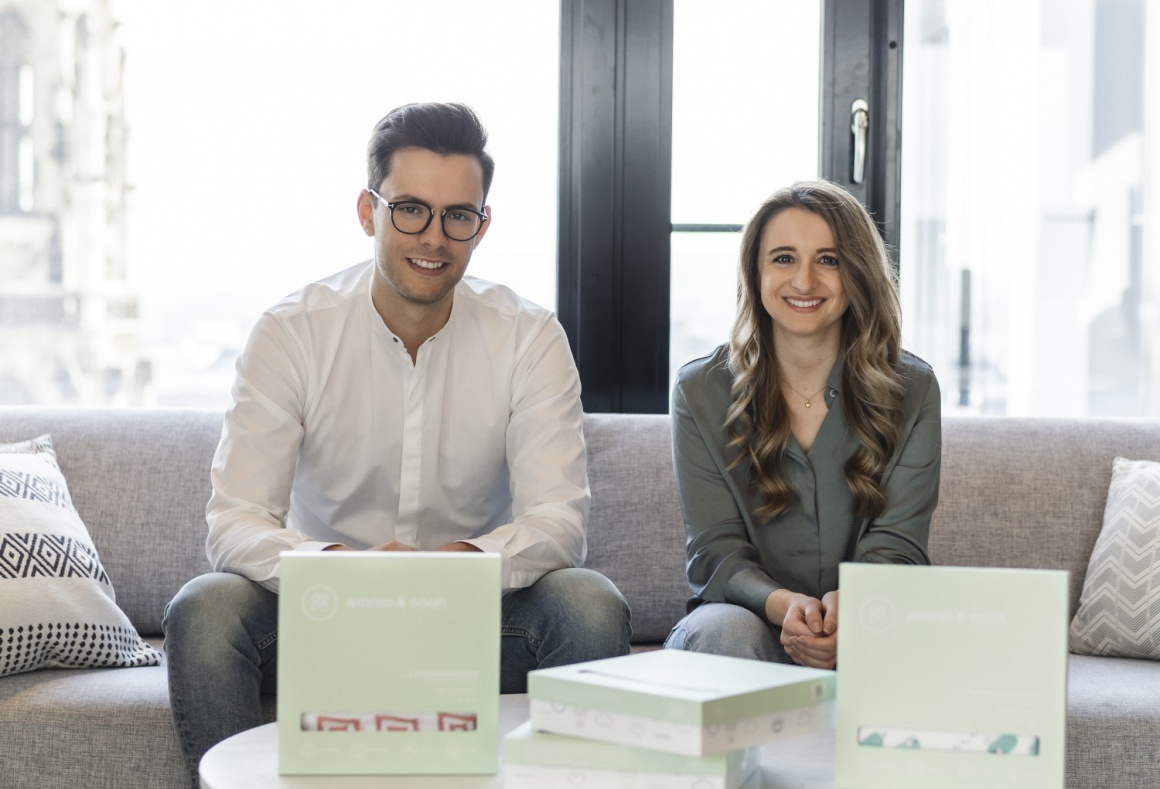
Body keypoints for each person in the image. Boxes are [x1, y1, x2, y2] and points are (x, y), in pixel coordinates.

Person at [162, 102, 631, 786]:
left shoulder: (529, 338)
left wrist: (460, 565)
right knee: (203, 612)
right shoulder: (292, 333)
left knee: (589, 601)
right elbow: (233, 523)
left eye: (457, 216)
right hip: (326, 614)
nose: (433, 237)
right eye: (410, 208)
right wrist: (344, 569)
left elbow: (559, 521)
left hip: (478, 619)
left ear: (482, 224)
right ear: (368, 210)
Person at [664, 180, 940, 670]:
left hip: (870, 621)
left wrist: (849, 612)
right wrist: (786, 605)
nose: (805, 281)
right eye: (784, 258)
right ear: (756, 272)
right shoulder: (699, 391)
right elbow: (715, 553)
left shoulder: (913, 388)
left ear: (858, 273)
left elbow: (898, 544)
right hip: (749, 624)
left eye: (828, 260)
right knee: (723, 630)